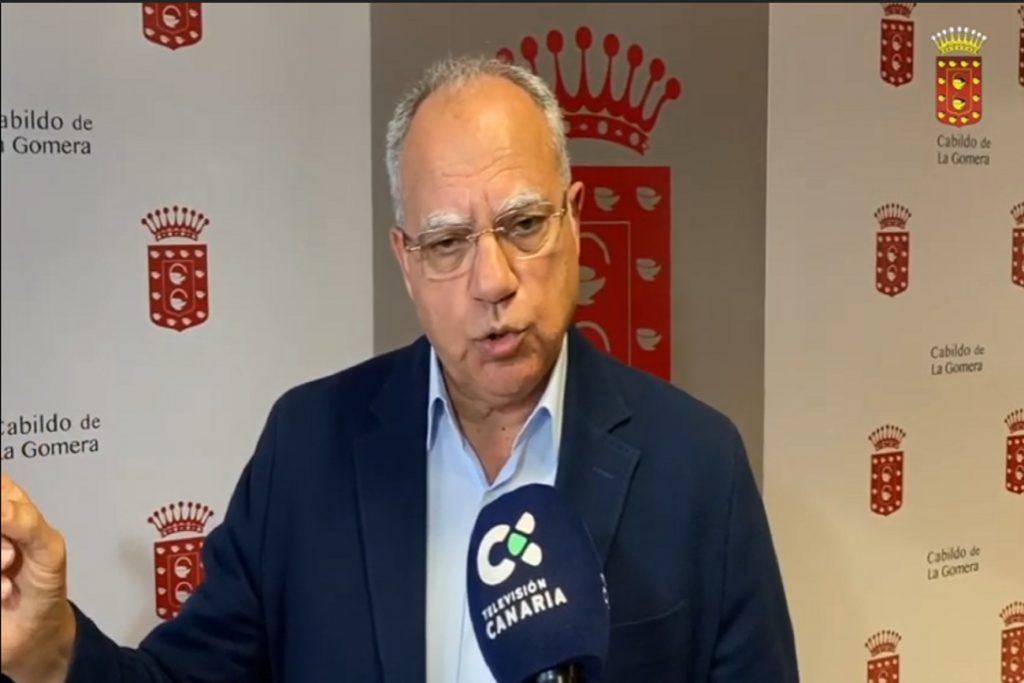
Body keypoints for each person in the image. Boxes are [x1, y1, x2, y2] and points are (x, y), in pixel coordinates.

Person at [0, 56, 799, 682]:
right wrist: (51, 645)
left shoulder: (698, 466)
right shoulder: (305, 448)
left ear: (576, 221)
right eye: (447, 242)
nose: (493, 280)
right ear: (406, 262)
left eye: (524, 224)